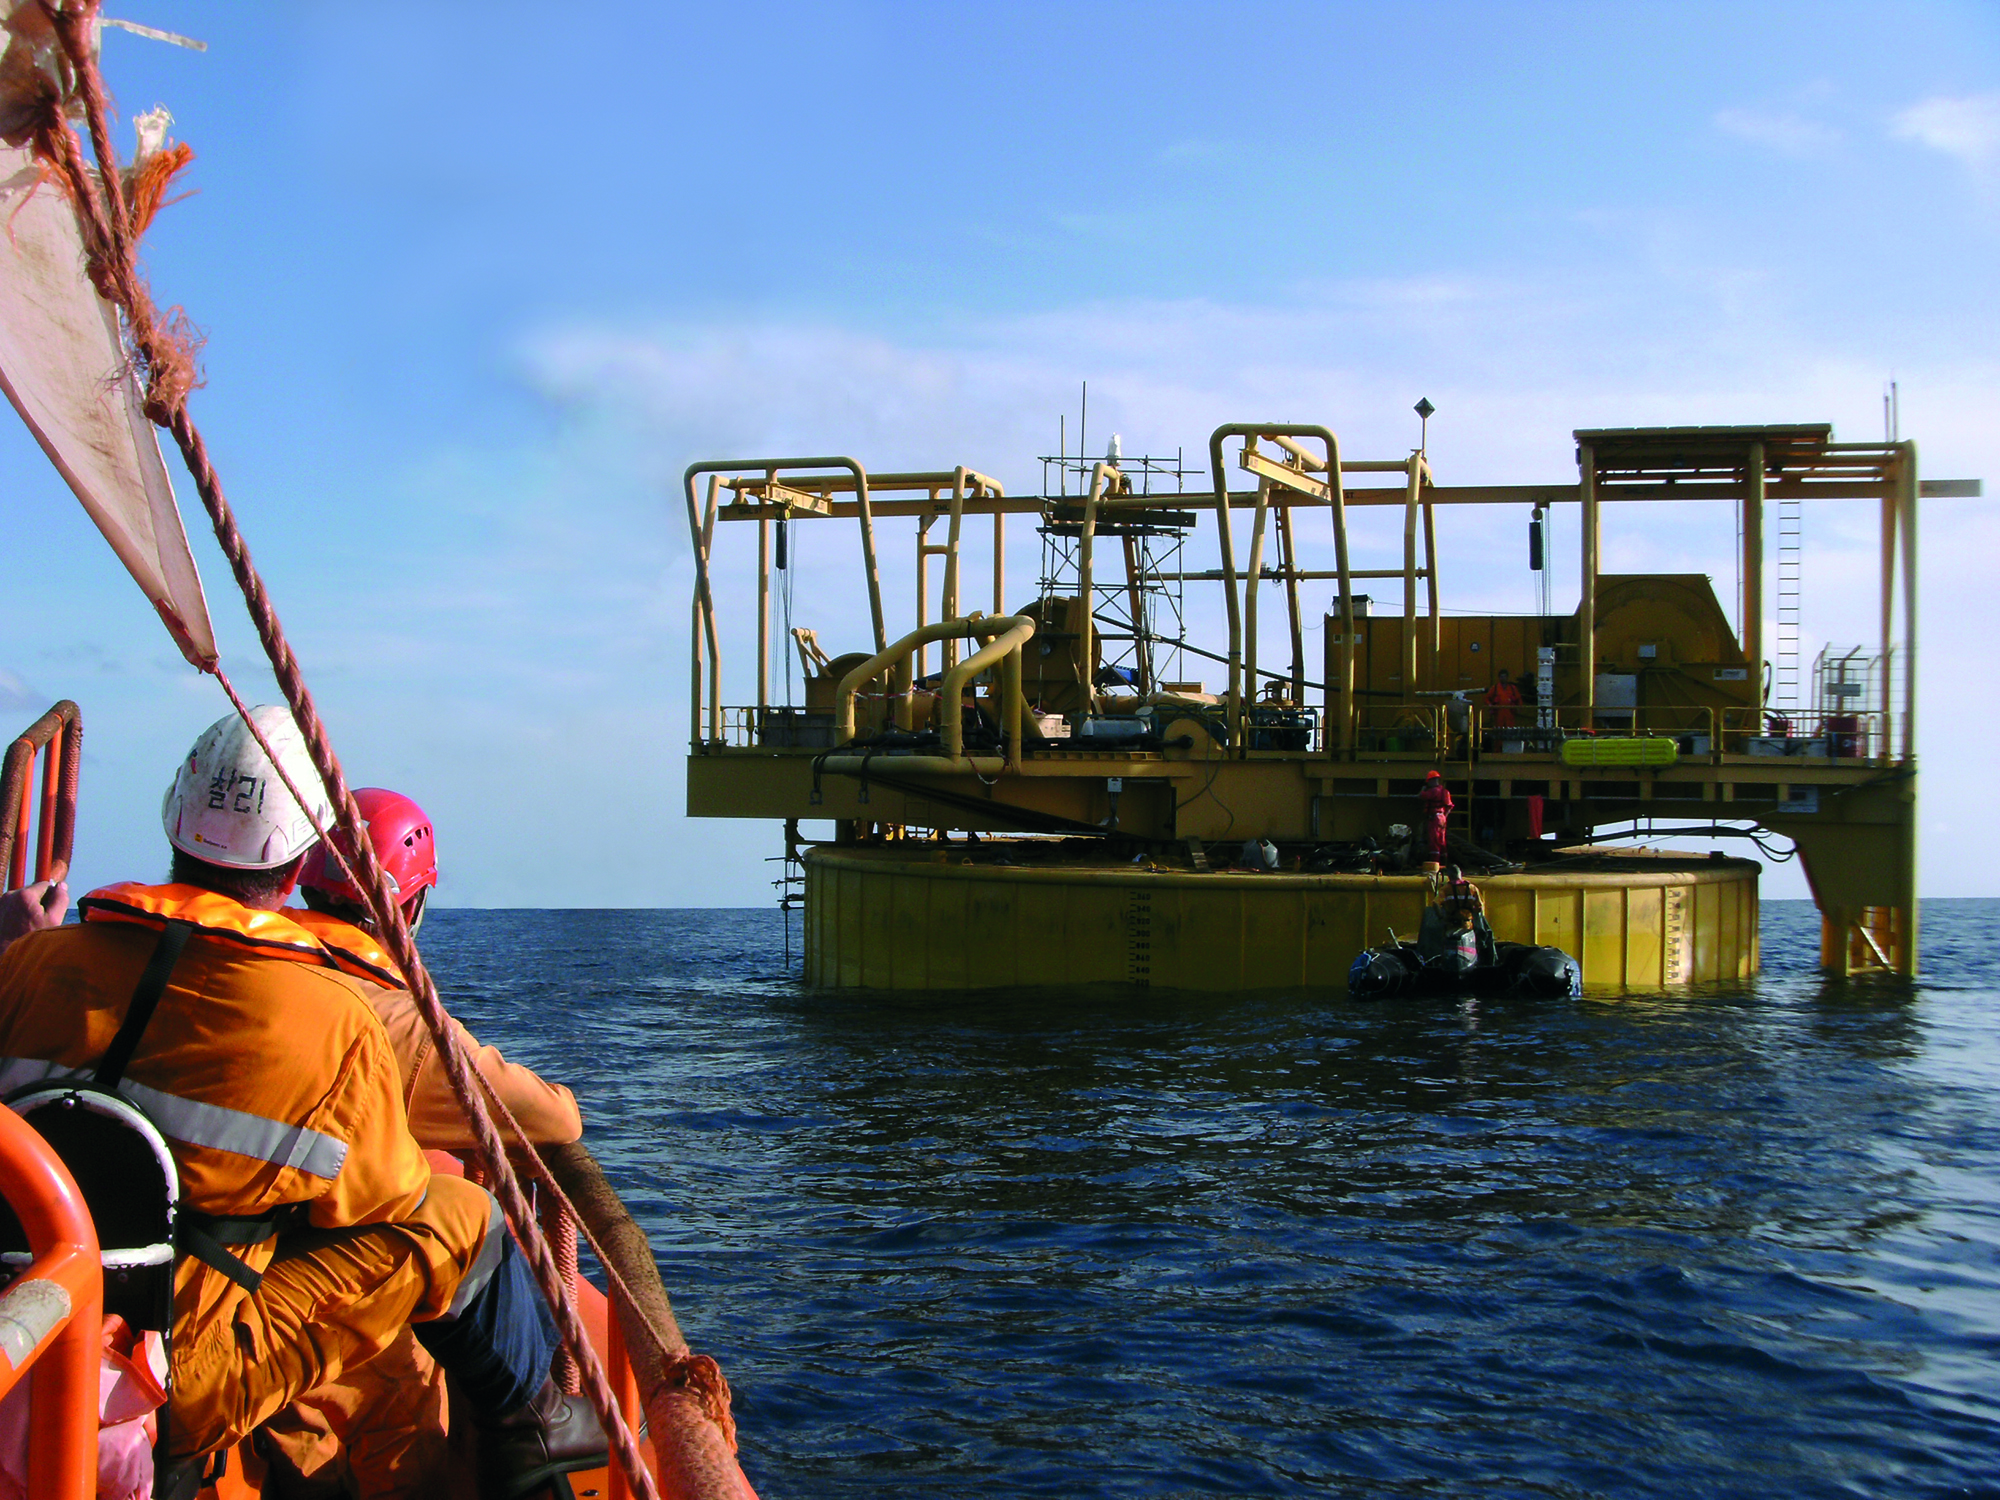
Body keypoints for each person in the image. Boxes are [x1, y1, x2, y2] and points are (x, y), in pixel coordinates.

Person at [0, 708, 602, 1498]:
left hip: (29, 1328)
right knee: (453, 1218)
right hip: (170, 1381)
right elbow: (384, 1206)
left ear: (173, 828)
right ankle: (536, 1447)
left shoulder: (31, 966)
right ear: (293, 869)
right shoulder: (328, 1022)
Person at [1416, 769, 1453, 868]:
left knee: (1434, 841)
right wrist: (1444, 817)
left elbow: (1420, 796)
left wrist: (1423, 789)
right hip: (1442, 817)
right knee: (1442, 841)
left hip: (1434, 818)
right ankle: (1444, 863)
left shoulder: (1433, 791)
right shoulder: (1445, 792)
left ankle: (1434, 863)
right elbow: (1449, 806)